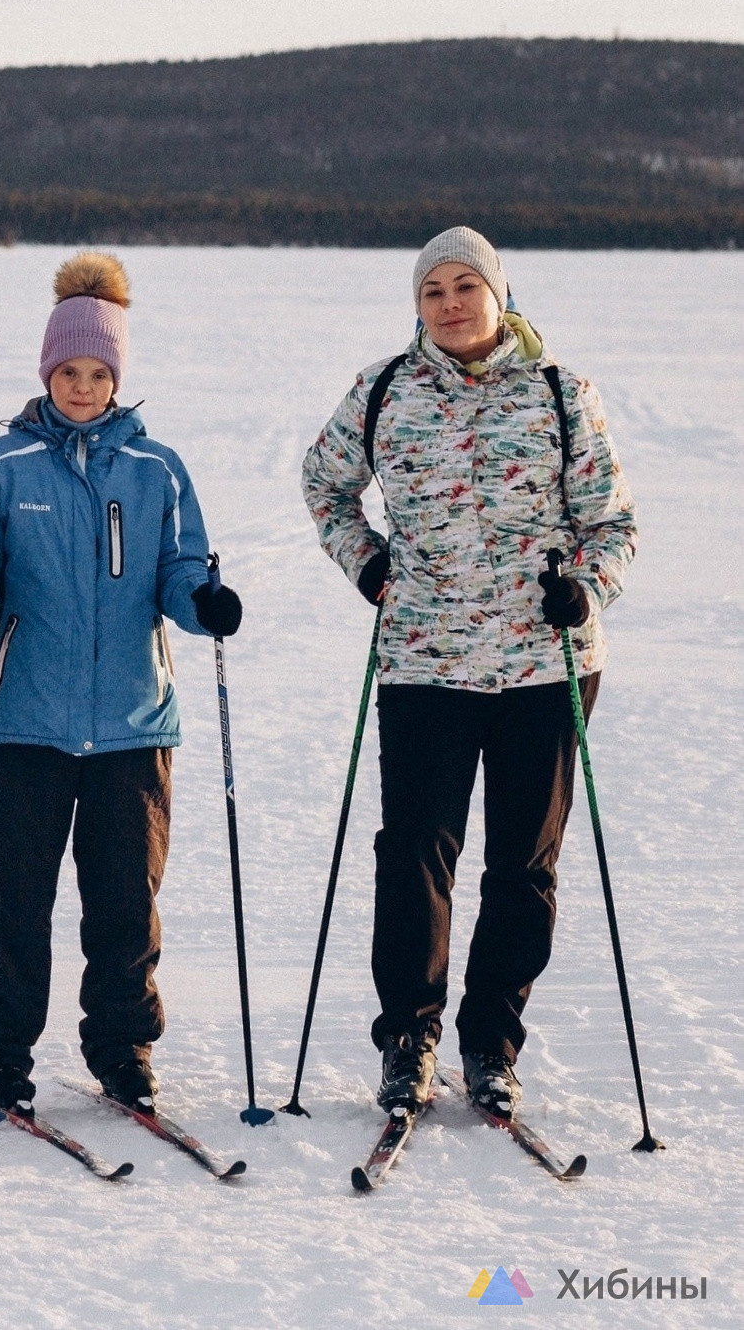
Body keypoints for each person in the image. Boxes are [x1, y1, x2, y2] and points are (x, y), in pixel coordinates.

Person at [301, 226, 635, 1116]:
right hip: (424, 660)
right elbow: (323, 484)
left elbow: (613, 524)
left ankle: (490, 1042)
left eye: (464, 286)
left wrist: (585, 588)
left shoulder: (563, 395)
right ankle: (408, 1039)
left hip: (544, 663)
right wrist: (367, 564)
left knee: (522, 865)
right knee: (413, 853)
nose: (449, 304)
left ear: (498, 293)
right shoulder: (384, 391)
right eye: (431, 291)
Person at [0, 253, 235, 1115]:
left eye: (98, 372)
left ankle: (121, 1047)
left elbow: (179, 567)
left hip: (133, 727)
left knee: (123, 908)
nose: (81, 385)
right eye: (68, 370)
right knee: (12, 904)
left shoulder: (157, 471)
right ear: (45, 371)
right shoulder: (0, 464)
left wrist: (203, 600)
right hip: (20, 721)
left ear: (117, 377)